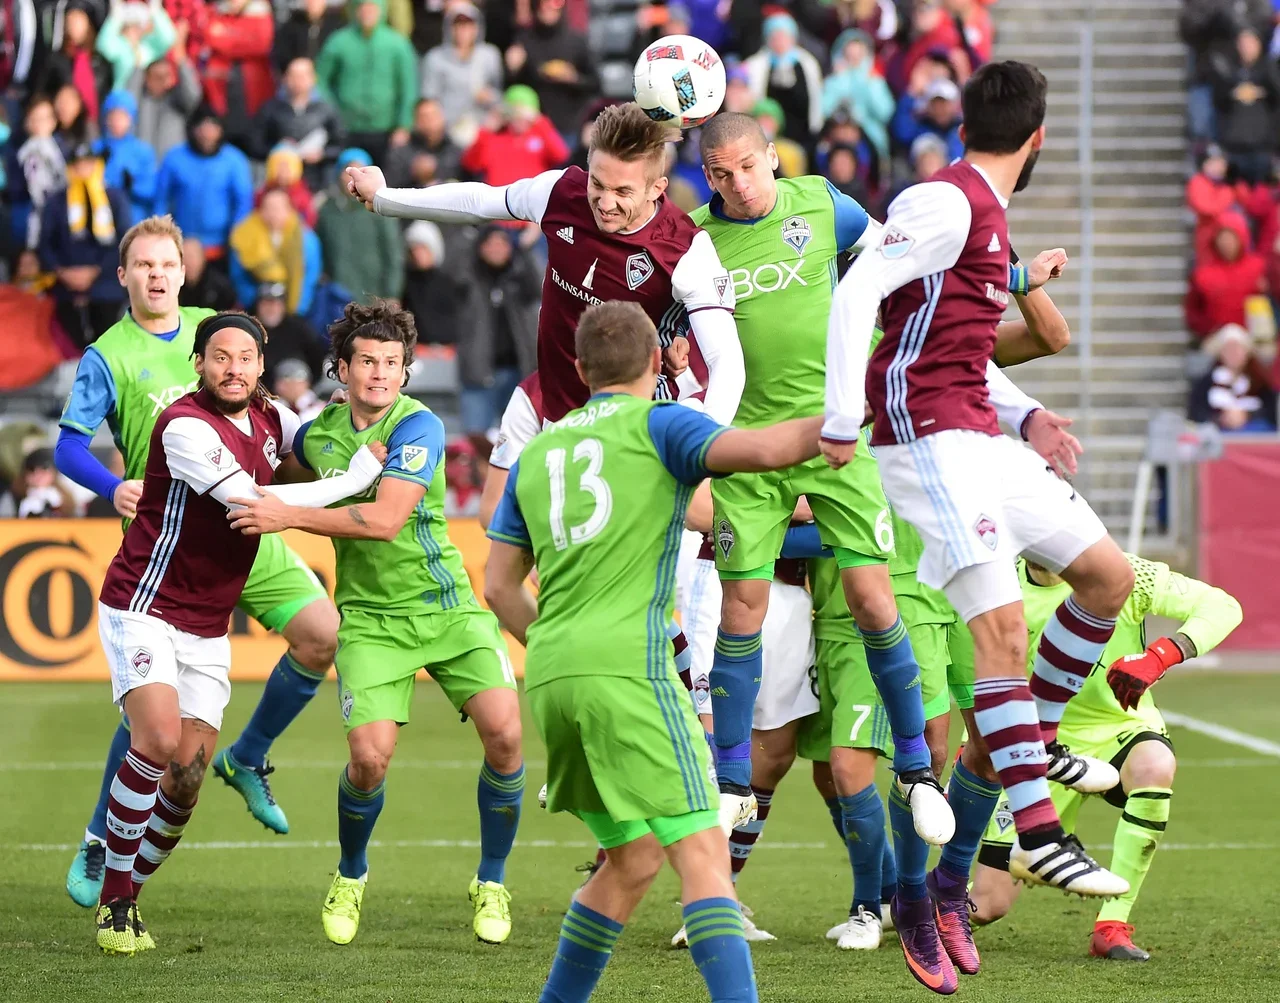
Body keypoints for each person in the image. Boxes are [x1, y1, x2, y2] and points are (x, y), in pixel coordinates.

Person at [820, 60, 1132, 908]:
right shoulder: (945, 203)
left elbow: (951, 347)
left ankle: (1038, 733)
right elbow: (859, 292)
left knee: (1108, 578)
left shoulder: (985, 218)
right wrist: (841, 416)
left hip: (974, 431)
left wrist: (1025, 413)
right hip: (923, 440)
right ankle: (1037, 833)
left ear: (967, 128)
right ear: (1038, 140)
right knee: (1000, 631)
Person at [483, 300, 827, 1003]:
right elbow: (762, 451)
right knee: (704, 854)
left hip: (550, 675)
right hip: (631, 670)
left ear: (579, 369)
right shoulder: (662, 422)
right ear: (652, 364)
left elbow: (498, 586)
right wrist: (851, 420)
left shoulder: (539, 450)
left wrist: (557, 643)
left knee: (633, 857)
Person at [55, 217, 342, 910]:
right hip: (174, 539)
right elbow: (67, 448)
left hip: (251, 527)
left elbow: (276, 420)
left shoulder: (215, 329)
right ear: (123, 276)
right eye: (143, 265)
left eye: (167, 263)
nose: (157, 274)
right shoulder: (107, 355)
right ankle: (100, 840)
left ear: (184, 273)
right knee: (151, 726)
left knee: (322, 632)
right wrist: (110, 484)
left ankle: (249, 755)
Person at [227, 300, 525, 948]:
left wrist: (287, 515)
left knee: (506, 734)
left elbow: (387, 518)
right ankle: (351, 872)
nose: (380, 373)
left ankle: (492, 879)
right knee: (368, 759)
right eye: (367, 361)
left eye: (392, 363)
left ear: (406, 372)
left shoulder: (419, 427)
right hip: (369, 619)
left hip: (449, 609)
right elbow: (266, 457)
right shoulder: (317, 433)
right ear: (343, 367)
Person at [90, 309, 384, 955]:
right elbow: (250, 499)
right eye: (221, 356)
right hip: (145, 603)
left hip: (206, 623)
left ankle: (131, 893)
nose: (234, 367)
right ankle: (112, 897)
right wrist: (358, 478)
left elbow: (312, 440)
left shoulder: (272, 418)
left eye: (246, 357)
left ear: (261, 364)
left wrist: (362, 409)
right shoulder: (184, 425)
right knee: (160, 740)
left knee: (189, 775)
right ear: (198, 364)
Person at [345, 102, 745, 428]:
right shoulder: (560, 192)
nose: (605, 203)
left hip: (640, 425)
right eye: (598, 185)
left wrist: (704, 442)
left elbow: (726, 361)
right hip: (557, 415)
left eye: (623, 191)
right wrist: (386, 198)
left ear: (658, 188)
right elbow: (479, 202)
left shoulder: (685, 250)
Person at [971, 556, 1243, 962]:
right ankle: (903, 907)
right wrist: (976, 744)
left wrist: (1160, 657)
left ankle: (1111, 925)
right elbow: (983, 675)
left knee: (1154, 766)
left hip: (1121, 727)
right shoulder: (997, 587)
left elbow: (1224, 606)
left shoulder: (1121, 573)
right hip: (1039, 743)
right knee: (987, 905)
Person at [38, 142, 130, 348]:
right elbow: (45, 244)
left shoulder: (114, 198)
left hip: (106, 284)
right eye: (77, 165)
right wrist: (62, 272)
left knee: (107, 346)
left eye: (88, 164)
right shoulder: (57, 201)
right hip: (64, 286)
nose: (83, 169)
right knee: (69, 346)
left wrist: (95, 271)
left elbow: (124, 242)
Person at [456, 224, 540, 436]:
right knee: (476, 439)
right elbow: (453, 271)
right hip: (479, 373)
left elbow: (540, 285)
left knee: (519, 439)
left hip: (518, 372)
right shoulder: (470, 280)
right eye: (490, 243)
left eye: (502, 243)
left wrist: (524, 247)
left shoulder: (521, 279)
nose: (496, 249)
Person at [315, 0, 417, 166]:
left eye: (372, 8)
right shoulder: (338, 42)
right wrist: (332, 112)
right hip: (346, 127)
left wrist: (404, 125)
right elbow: (321, 81)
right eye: (363, 7)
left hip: (386, 128)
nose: (367, 12)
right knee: (350, 177)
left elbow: (408, 87)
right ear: (355, 10)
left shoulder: (398, 44)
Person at [154, 106, 253, 265]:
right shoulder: (175, 158)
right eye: (202, 127)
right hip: (182, 243)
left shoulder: (234, 160)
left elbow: (243, 201)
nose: (207, 134)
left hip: (221, 245)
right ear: (193, 130)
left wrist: (236, 232)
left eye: (212, 127)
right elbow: (161, 198)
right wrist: (160, 232)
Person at [315, 148, 404, 305]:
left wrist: (392, 292)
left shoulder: (381, 209)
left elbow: (392, 253)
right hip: (337, 294)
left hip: (374, 293)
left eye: (360, 173)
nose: (352, 179)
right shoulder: (327, 209)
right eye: (348, 172)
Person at [504, 0, 598, 138]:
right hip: (534, 125)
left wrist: (574, 78)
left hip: (569, 125)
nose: (548, 7)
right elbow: (513, 86)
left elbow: (595, 84)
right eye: (543, 3)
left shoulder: (576, 41)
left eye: (555, 3)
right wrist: (512, 69)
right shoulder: (524, 40)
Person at [251, 57, 346, 192]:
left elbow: (341, 145)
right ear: (284, 78)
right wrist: (279, 150)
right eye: (293, 76)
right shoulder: (270, 109)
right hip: (280, 182)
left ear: (313, 78)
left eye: (303, 76)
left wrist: (322, 154)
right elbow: (255, 145)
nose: (298, 81)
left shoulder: (327, 110)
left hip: (316, 181)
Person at [228, 186, 322, 318]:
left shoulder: (306, 239)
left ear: (289, 210)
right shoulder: (244, 235)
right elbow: (238, 276)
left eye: (278, 208)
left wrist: (298, 308)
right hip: (255, 307)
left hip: (296, 310)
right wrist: (254, 302)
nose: (273, 213)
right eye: (268, 207)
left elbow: (310, 277)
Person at [459, 85, 570, 189]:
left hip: (531, 199)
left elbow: (561, 156)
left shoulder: (540, 135)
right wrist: (486, 131)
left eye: (524, 114)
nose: (519, 119)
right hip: (499, 200)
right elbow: (471, 164)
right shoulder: (495, 138)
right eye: (514, 113)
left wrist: (540, 122)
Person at [419, 2, 503, 136]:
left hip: (481, 128)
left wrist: (490, 97)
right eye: (458, 24)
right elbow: (429, 98)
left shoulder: (489, 55)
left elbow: (499, 94)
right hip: (447, 131)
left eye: (469, 24)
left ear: (477, 27)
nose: (463, 29)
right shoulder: (435, 58)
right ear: (448, 27)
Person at [96, 91, 158, 225]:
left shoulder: (143, 151)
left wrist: (132, 186)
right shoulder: (96, 148)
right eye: (112, 115)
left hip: (132, 219)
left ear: (131, 119)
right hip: (102, 220)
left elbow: (151, 190)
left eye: (122, 116)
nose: (116, 121)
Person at [385, 98, 462, 190]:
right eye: (424, 117)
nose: (429, 122)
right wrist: (413, 173)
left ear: (442, 117)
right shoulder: (400, 152)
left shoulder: (457, 151)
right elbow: (391, 184)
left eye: (434, 116)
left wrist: (436, 171)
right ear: (415, 121)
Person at [177, 236, 237, 311]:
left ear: (203, 258)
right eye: (184, 258)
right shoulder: (174, 286)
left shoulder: (221, 287)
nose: (188, 262)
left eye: (192, 256)